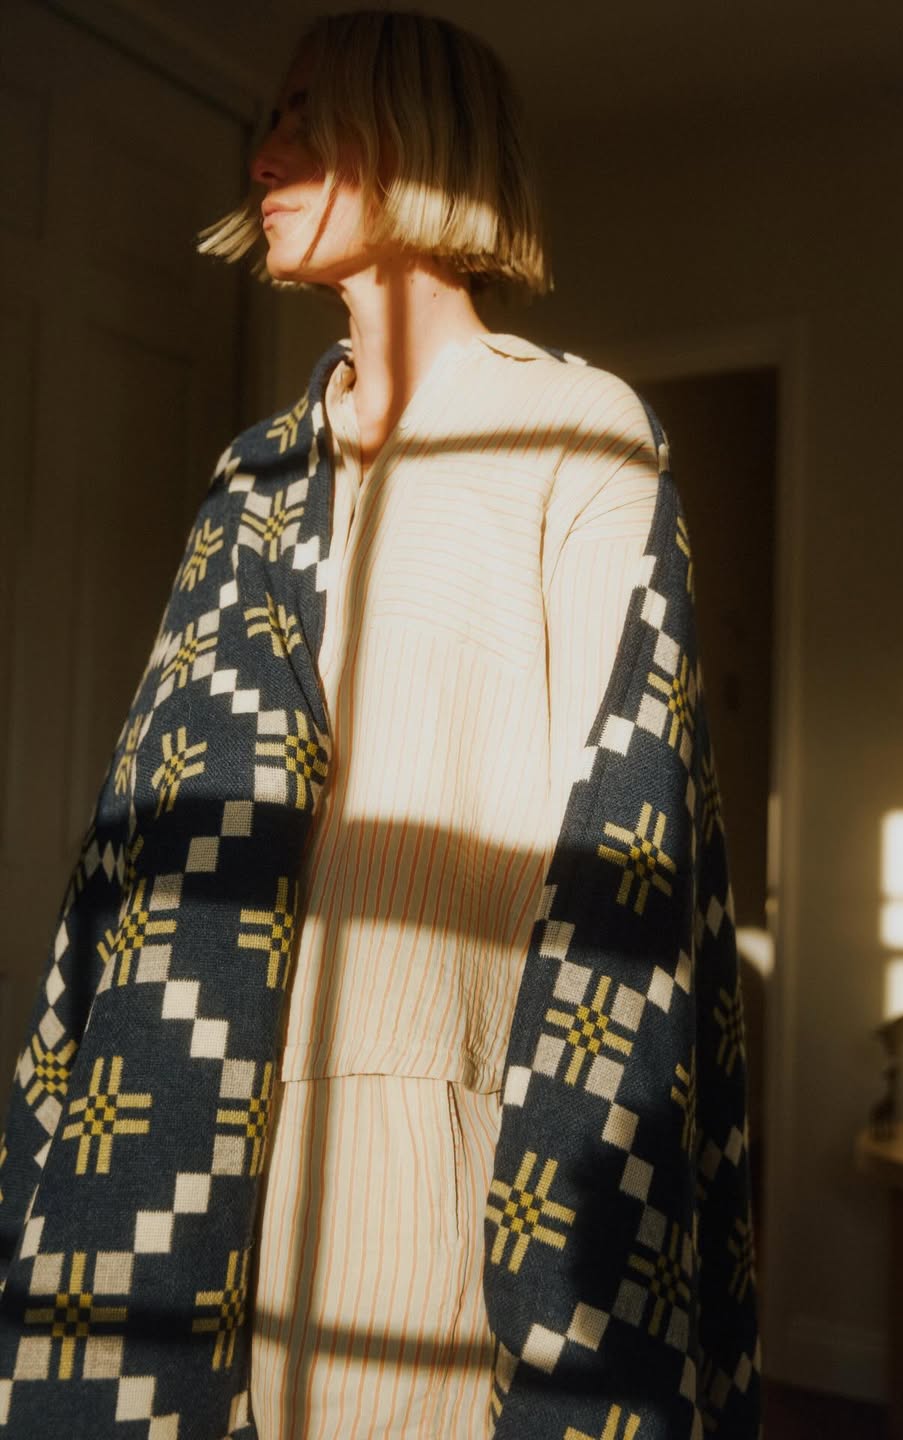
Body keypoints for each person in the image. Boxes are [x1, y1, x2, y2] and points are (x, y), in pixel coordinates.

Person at [0, 12, 758, 1440]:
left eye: (308, 114)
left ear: (417, 138)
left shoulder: (579, 438)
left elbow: (625, 843)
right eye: (269, 119)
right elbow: (144, 837)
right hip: (208, 1124)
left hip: (467, 1142)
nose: (263, 154)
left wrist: (561, 1179)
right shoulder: (253, 481)